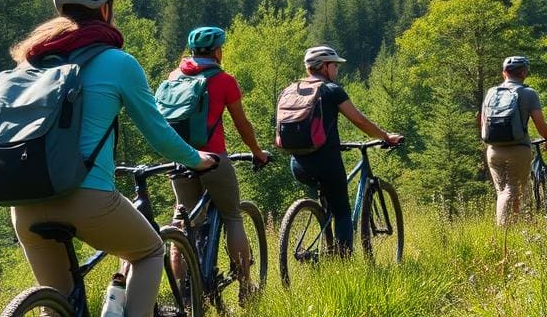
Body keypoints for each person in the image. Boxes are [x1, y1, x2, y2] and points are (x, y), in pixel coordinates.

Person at [9, 0, 218, 317]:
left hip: (23, 204)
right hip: (86, 198)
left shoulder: (29, 61)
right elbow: (159, 133)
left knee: (56, 303)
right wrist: (198, 160)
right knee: (150, 249)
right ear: (104, 8)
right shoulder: (117, 62)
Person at [167, 26, 269, 303]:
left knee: (184, 221)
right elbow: (242, 125)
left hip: (180, 158)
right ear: (217, 51)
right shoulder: (224, 81)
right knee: (232, 215)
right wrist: (257, 152)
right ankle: (246, 288)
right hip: (213, 158)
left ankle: (182, 293)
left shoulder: (174, 77)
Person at [288, 46, 402, 253]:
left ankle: (325, 241)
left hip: (298, 163)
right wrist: (385, 136)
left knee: (328, 202)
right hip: (326, 162)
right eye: (335, 66)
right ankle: (343, 262)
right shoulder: (331, 90)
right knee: (342, 213)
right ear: (324, 66)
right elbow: (359, 120)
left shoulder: (293, 89)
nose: (337, 70)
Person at [480, 56, 547, 225]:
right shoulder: (528, 93)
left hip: (493, 150)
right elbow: (539, 121)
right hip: (518, 150)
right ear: (524, 73)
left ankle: (514, 228)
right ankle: (504, 232)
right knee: (512, 190)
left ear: (504, 73)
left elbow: (483, 121)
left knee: (504, 191)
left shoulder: (492, 92)